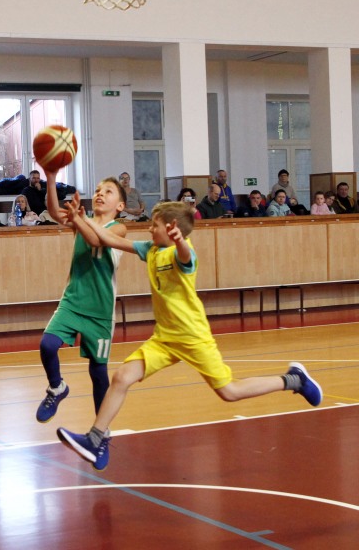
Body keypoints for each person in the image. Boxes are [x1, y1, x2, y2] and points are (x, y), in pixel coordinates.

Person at [56, 201, 323, 471]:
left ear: (172, 229)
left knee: (229, 392)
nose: (150, 229)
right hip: (164, 339)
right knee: (122, 377)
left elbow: (185, 257)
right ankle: (96, 439)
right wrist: (82, 219)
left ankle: (294, 380)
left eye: (155, 225)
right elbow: (109, 239)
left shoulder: (181, 253)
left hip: (192, 337)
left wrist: (180, 242)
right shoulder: (150, 249)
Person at [35, 172, 127, 424]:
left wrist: (78, 218)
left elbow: (96, 239)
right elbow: (53, 211)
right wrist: (50, 178)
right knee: (47, 345)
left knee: (98, 373)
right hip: (73, 302)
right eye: (97, 190)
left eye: (108, 191)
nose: (100, 194)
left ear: (120, 206)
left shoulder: (119, 228)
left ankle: (100, 431)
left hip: (100, 311)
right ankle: (57, 387)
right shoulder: (80, 220)